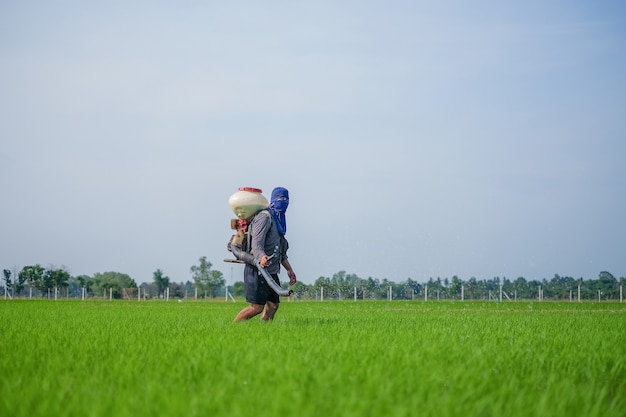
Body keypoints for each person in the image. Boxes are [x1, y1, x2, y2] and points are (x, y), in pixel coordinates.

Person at [234, 187, 297, 322]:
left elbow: (281, 252)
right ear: (273, 200)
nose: (283, 202)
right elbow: (256, 243)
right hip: (257, 269)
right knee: (256, 307)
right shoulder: (264, 217)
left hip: (271, 270)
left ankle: (264, 332)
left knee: (273, 305)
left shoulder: (280, 222)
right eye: (280, 199)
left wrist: (289, 270)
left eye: (286, 200)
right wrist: (262, 256)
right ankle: (232, 329)